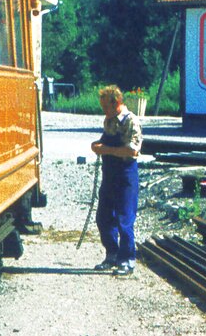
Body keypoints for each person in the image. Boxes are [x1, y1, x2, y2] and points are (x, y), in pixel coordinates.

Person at [91, 84, 143, 275]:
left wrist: (106, 150)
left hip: (125, 174)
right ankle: (112, 254)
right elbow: (105, 141)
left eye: (106, 107)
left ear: (117, 103)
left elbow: (132, 150)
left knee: (125, 218)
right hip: (109, 174)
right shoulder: (109, 120)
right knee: (104, 217)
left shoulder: (131, 122)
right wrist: (97, 145)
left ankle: (127, 259)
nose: (104, 111)